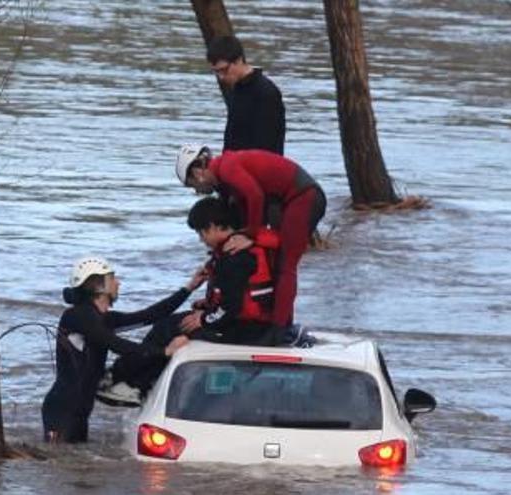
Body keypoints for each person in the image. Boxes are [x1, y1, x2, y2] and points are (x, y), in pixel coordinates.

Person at [98, 197, 280, 406]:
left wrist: (205, 319)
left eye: (201, 233)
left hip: (243, 329)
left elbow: (232, 307)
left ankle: (130, 381)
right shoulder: (242, 250)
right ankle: (134, 381)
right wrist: (205, 306)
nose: (201, 239)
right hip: (248, 325)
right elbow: (236, 297)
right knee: (170, 325)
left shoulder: (233, 258)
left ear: (212, 227)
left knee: (169, 329)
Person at [41, 256, 204, 443]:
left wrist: (189, 288)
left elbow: (150, 315)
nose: (118, 283)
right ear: (98, 286)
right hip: (62, 409)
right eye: (112, 278)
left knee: (76, 467)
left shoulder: (103, 318)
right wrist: (164, 351)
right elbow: (116, 344)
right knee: (61, 464)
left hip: (80, 409)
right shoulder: (76, 316)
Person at [175, 145, 326, 329]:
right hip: (283, 201)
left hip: (304, 196)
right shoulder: (224, 181)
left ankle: (279, 331)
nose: (197, 192)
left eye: (193, 186)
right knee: (272, 260)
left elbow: (255, 196)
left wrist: (251, 235)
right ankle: (275, 319)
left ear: (198, 172)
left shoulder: (227, 168)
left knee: (286, 265)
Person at [207, 35, 285, 155]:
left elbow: (268, 146)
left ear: (238, 60)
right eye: (216, 72)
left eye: (224, 70)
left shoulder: (266, 93)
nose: (221, 77)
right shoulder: (236, 89)